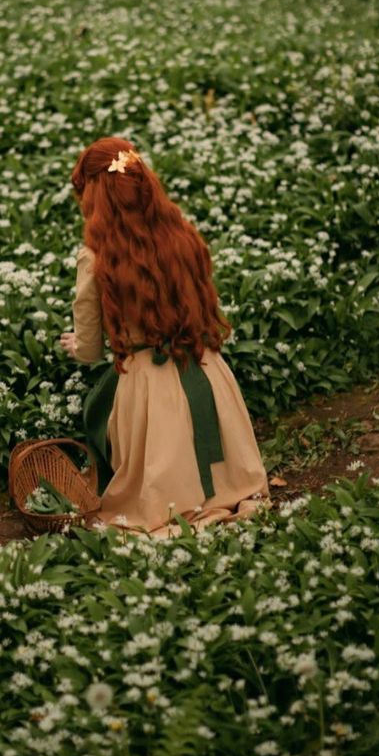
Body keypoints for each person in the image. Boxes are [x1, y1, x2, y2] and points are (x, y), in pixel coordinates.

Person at [59, 136, 271, 539]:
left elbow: (88, 351)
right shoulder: (182, 236)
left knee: (102, 417)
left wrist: (78, 345)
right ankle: (226, 489)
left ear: (95, 196)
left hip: (151, 392)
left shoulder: (97, 257)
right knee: (224, 478)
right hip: (206, 369)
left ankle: (173, 498)